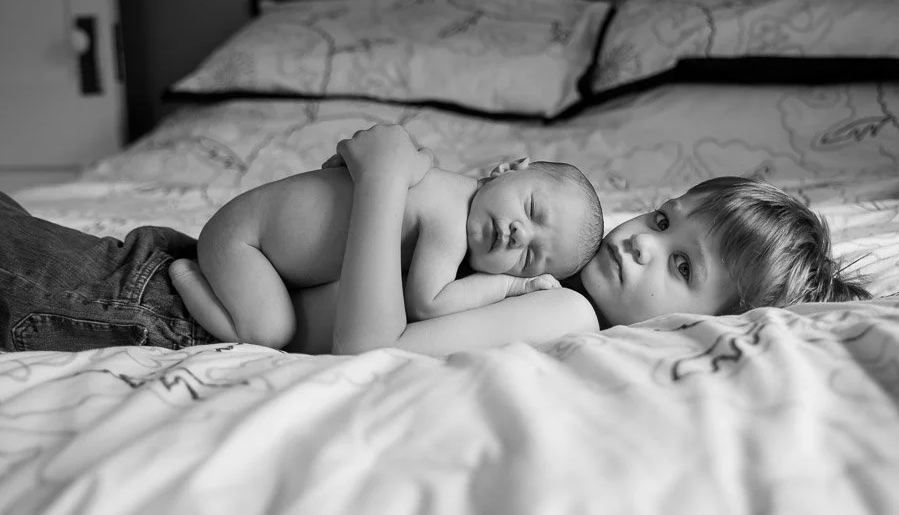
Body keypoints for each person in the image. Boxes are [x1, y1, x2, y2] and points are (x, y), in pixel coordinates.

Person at [0, 125, 869, 356]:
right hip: (177, 273)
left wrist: (382, 176)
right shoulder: (547, 274)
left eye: (681, 265)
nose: (644, 240)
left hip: (157, 309)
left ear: (702, 323)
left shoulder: (560, 310)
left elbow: (370, 345)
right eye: (666, 217)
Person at [170, 134, 605, 349]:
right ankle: (188, 277)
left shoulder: (440, 183)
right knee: (269, 330)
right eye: (531, 209)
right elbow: (428, 303)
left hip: (248, 232)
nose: (518, 233)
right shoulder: (449, 221)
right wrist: (511, 286)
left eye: (528, 257)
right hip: (241, 243)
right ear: (508, 167)